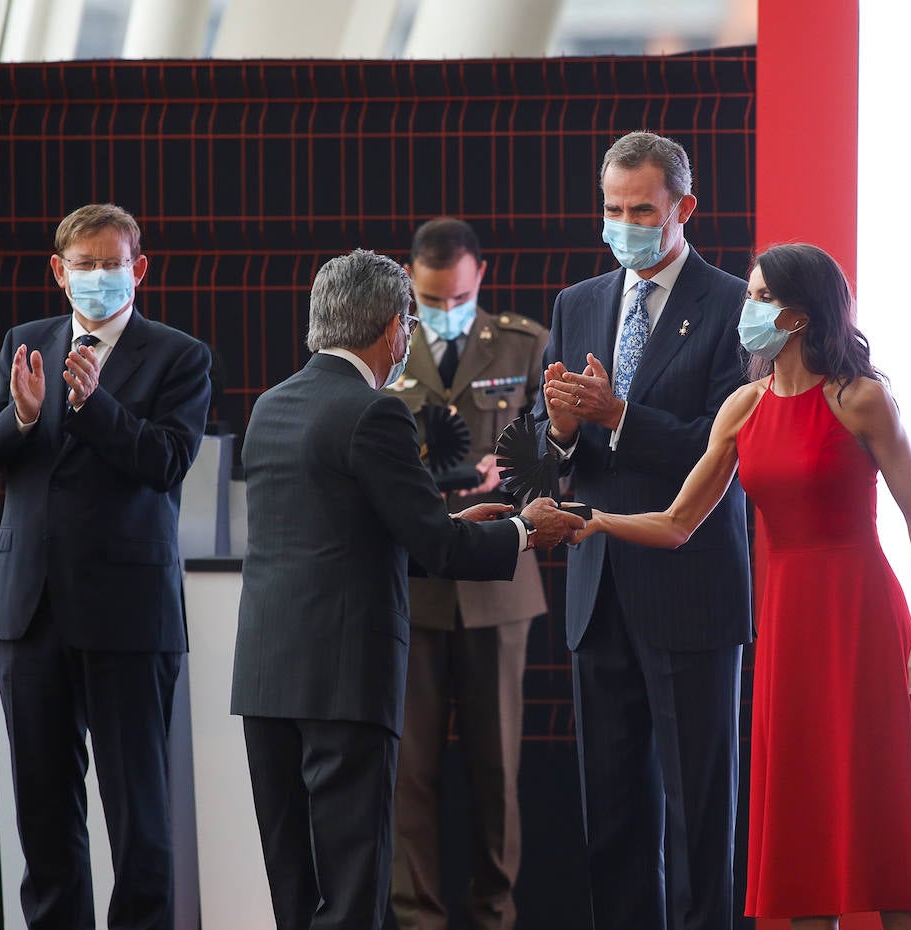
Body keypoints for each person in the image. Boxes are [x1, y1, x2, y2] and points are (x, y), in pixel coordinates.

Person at [569, 243, 911, 929]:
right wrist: (595, 521)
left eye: (758, 299)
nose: (744, 310)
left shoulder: (862, 399)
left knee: (884, 813)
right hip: (787, 630)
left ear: (799, 317)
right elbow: (676, 523)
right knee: (804, 830)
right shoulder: (742, 408)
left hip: (864, 620)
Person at [229, 248, 584, 930]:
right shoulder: (375, 412)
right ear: (395, 328)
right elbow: (439, 548)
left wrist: (447, 523)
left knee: (295, 887)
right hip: (345, 681)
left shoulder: (272, 406)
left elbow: (352, 533)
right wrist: (522, 529)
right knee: (351, 884)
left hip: (269, 681)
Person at [0, 203, 212, 930]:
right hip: (29, 610)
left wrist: (94, 405)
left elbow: (165, 463)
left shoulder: (179, 356)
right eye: (83, 265)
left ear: (138, 269)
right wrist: (24, 418)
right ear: (58, 274)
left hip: (127, 616)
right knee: (43, 812)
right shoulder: (24, 342)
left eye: (111, 264)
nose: (97, 277)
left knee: (139, 819)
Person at [536, 131, 752, 930]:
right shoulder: (579, 302)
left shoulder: (735, 303)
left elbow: (722, 440)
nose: (624, 224)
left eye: (641, 210)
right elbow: (542, 446)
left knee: (699, 818)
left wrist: (620, 414)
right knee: (614, 817)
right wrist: (558, 428)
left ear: (683, 209)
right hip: (599, 591)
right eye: (611, 209)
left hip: (690, 588)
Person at [387, 219, 549, 930]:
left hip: (496, 580)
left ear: (479, 276)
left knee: (497, 774)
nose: (439, 308)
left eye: (452, 296)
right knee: (407, 772)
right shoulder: (386, 347)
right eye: (426, 298)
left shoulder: (525, 342)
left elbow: (562, 450)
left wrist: (513, 469)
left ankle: (494, 914)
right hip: (412, 582)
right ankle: (418, 915)